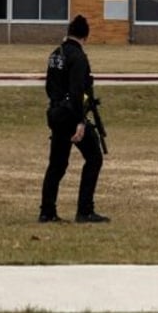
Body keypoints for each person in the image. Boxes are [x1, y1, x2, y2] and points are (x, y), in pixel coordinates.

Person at [39, 14, 109, 223]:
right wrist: (80, 122)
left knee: (57, 165)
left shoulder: (55, 54)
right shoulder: (78, 57)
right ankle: (85, 210)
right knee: (94, 158)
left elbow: (50, 87)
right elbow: (78, 90)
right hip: (71, 116)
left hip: (55, 114)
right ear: (85, 37)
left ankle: (47, 211)